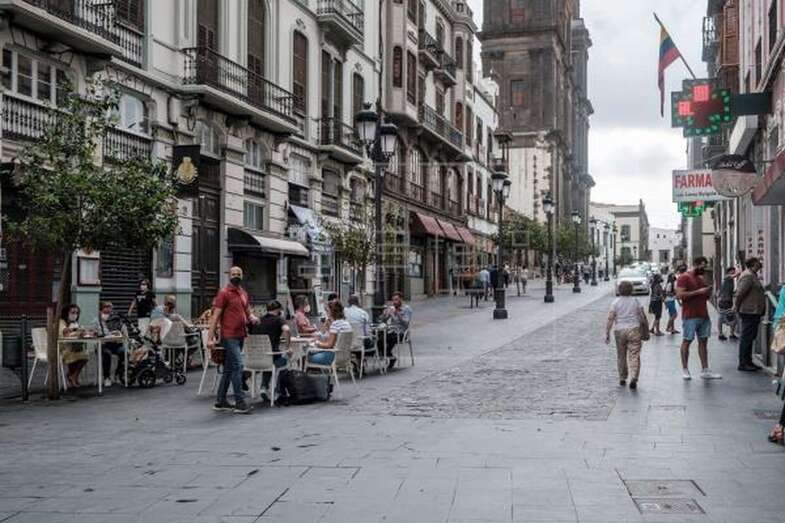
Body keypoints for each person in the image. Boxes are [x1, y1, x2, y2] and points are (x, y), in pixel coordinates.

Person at [207, 266, 259, 414]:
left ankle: (220, 401)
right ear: (229, 276)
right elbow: (215, 316)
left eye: (239, 274)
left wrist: (253, 318)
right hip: (229, 336)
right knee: (238, 366)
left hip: (240, 334)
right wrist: (210, 338)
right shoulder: (223, 293)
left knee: (229, 369)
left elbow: (248, 311)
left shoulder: (243, 293)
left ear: (242, 276)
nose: (236, 275)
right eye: (233, 274)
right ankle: (240, 402)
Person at [676, 257, 721, 380]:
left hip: (703, 314)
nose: (704, 269)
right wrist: (698, 292)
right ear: (695, 264)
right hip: (690, 315)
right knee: (687, 341)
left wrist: (708, 292)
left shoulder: (700, 279)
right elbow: (679, 295)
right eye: (702, 266)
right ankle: (685, 369)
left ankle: (705, 369)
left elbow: (705, 296)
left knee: (703, 342)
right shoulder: (684, 277)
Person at [605, 281, 646, 389]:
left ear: (619, 290)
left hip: (619, 330)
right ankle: (634, 376)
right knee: (634, 354)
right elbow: (642, 316)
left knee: (621, 355)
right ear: (631, 290)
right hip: (634, 329)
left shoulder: (615, 302)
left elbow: (610, 318)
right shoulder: (636, 301)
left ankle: (622, 378)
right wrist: (644, 328)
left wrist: (607, 333)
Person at [251, 300, 291, 402]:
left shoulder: (258, 320)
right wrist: (288, 347)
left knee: (270, 360)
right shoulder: (279, 319)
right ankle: (278, 390)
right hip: (270, 358)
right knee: (285, 360)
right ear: (278, 310)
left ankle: (264, 387)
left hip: (255, 359)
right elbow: (286, 330)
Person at [734, 257, 765, 372]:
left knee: (750, 337)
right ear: (753, 264)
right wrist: (735, 306)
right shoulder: (748, 276)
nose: (760, 263)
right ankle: (743, 363)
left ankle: (748, 361)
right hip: (749, 311)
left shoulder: (752, 275)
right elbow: (740, 293)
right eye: (758, 262)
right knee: (746, 337)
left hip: (753, 311)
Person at [88, 301, 126, 388]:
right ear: (101, 309)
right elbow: (91, 333)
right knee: (106, 354)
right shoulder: (96, 321)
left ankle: (118, 374)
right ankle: (106, 377)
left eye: (110, 308)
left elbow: (122, 331)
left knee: (124, 352)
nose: (109, 310)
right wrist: (95, 333)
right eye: (107, 307)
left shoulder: (115, 320)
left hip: (114, 344)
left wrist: (118, 333)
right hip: (102, 345)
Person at [308, 301, 353, 366]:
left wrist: (317, 343)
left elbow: (329, 345)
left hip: (333, 356)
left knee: (306, 357)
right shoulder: (346, 323)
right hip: (344, 357)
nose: (326, 313)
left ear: (332, 312)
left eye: (327, 311)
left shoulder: (335, 324)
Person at [378, 291, 412, 369]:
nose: (394, 302)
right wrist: (385, 315)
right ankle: (390, 357)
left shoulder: (407, 309)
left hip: (402, 332)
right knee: (379, 339)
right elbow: (382, 320)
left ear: (401, 300)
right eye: (393, 300)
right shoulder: (392, 308)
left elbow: (406, 323)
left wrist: (397, 313)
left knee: (386, 339)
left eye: (396, 300)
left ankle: (388, 356)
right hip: (392, 331)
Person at [59, 304, 89, 388]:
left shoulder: (75, 323)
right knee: (78, 355)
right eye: (72, 312)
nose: (75, 314)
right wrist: (75, 331)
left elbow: (79, 332)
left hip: (73, 346)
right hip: (62, 348)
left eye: (76, 313)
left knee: (85, 355)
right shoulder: (61, 322)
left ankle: (73, 375)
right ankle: (72, 376)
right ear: (66, 313)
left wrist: (83, 332)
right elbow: (65, 332)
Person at [717, 266, 738, 341]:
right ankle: (722, 334)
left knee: (728, 316)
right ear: (729, 271)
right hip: (724, 301)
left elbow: (729, 291)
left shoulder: (730, 280)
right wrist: (740, 271)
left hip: (727, 301)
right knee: (725, 317)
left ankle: (729, 333)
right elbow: (732, 276)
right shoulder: (727, 277)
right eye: (733, 271)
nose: (734, 272)